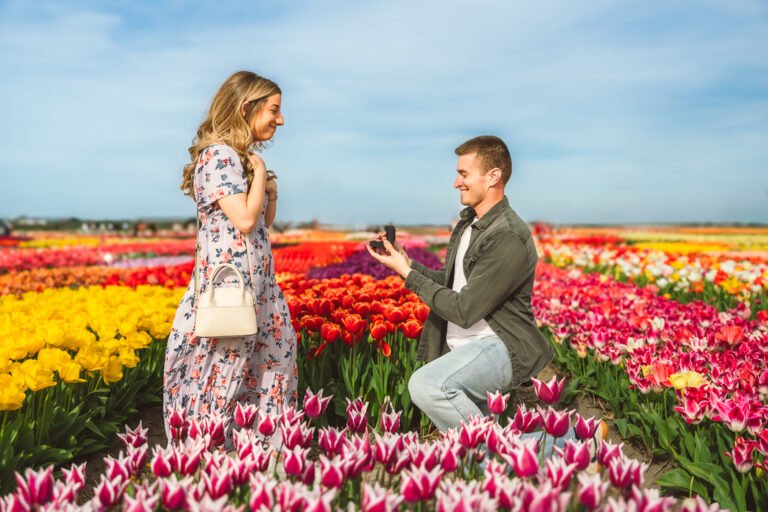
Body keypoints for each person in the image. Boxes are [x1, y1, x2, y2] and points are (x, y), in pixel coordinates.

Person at [367, 135, 553, 432]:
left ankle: (552, 445)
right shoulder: (471, 225)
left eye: (463, 174)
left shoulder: (507, 236)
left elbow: (465, 309)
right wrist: (406, 264)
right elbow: (453, 284)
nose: (456, 183)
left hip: (499, 345)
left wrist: (409, 275)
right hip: (468, 349)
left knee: (428, 385)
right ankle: (560, 446)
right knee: (476, 450)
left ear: (493, 177)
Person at [164, 71, 298, 448]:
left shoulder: (234, 157)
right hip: (231, 290)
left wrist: (269, 189)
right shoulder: (218, 156)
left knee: (265, 367)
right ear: (246, 108)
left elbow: (262, 223)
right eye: (274, 110)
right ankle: (209, 457)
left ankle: (253, 455)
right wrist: (257, 171)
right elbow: (243, 219)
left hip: (257, 289)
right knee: (225, 371)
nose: (281, 120)